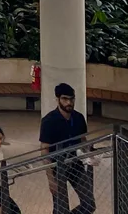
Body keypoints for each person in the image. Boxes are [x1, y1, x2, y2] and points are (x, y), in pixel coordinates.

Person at [40, 82, 95, 214]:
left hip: (76, 164)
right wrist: (50, 179)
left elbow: (83, 141)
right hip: (58, 167)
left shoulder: (79, 118)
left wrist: (89, 154)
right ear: (57, 99)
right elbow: (44, 151)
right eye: (65, 99)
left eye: (71, 99)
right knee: (60, 208)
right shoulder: (49, 121)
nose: (69, 102)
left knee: (89, 204)